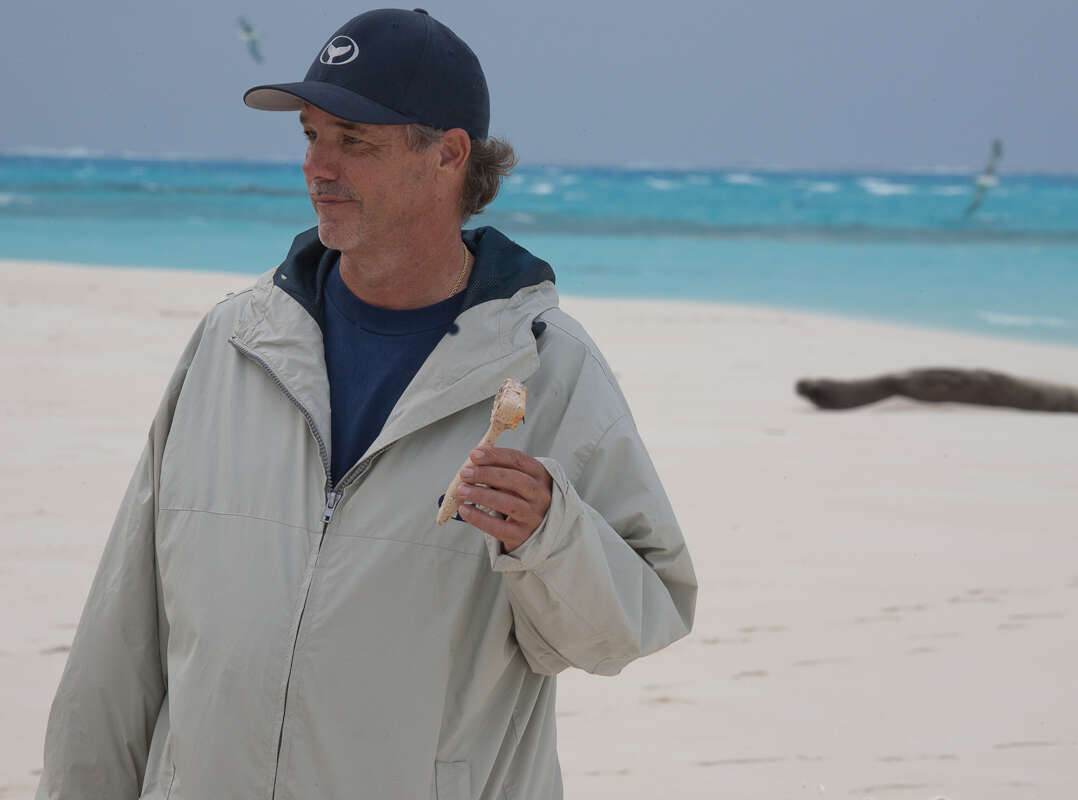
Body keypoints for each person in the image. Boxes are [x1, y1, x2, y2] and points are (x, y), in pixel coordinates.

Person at [36, 9, 697, 800]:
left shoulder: (551, 370)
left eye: (355, 142)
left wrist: (552, 537)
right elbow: (121, 641)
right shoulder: (233, 344)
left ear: (450, 154)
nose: (319, 166)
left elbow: (632, 625)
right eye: (311, 135)